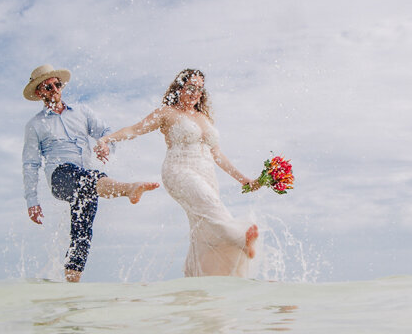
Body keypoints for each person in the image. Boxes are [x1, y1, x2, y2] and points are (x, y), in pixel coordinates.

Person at [95, 69, 261, 278]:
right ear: (179, 88)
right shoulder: (167, 113)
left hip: (207, 173)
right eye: (190, 87)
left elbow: (218, 155)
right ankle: (239, 237)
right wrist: (106, 139)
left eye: (199, 90)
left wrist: (243, 179)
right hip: (179, 170)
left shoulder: (204, 117)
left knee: (202, 227)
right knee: (210, 204)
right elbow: (135, 129)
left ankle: (194, 280)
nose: (195, 93)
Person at [22, 64, 159, 282]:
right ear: (39, 93)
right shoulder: (35, 125)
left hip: (87, 179)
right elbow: (30, 164)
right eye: (47, 87)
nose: (54, 90)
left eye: (57, 85)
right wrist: (32, 200)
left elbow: (105, 132)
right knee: (88, 178)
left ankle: (71, 286)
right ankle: (128, 188)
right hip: (60, 177)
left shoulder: (82, 112)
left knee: (82, 233)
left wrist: (105, 144)